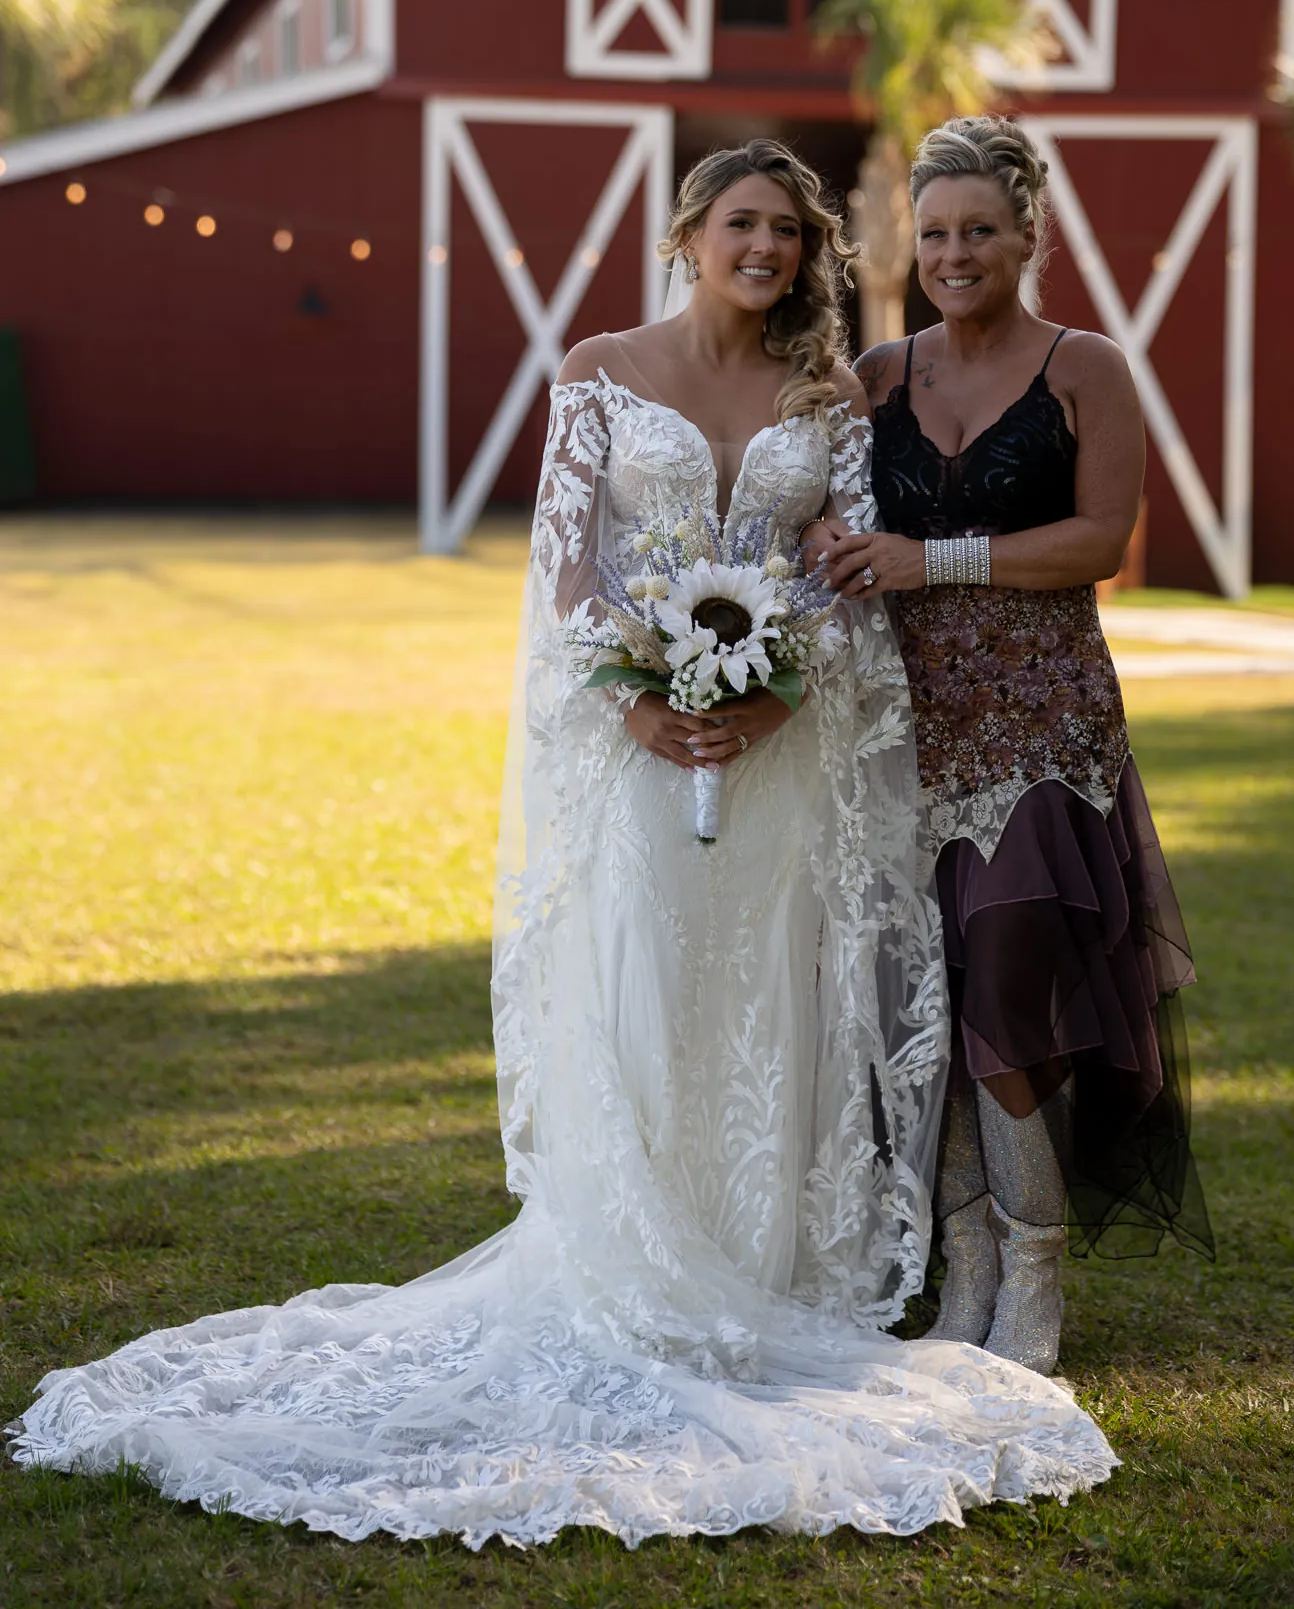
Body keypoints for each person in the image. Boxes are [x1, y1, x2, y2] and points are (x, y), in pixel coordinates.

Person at [10, 139, 1115, 1544]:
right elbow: (567, 574)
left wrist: (775, 699)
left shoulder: (828, 394)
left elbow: (844, 578)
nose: (765, 248)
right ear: (688, 234)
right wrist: (647, 704)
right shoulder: (598, 371)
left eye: (787, 230)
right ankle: (640, 1270)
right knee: (644, 992)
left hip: (779, 758)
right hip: (639, 755)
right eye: (741, 223)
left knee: (771, 1004)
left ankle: (770, 1268)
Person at [815, 116, 1213, 1379]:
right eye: (934, 232)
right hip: (903, 727)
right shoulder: (877, 373)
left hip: (1042, 720)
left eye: (979, 229)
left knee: (1005, 984)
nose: (954, 253)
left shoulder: (1085, 366)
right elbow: (821, 508)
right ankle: (968, 1260)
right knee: (927, 998)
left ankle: (1033, 1270)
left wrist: (933, 559)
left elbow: (1101, 539)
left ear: (1027, 234)